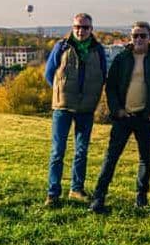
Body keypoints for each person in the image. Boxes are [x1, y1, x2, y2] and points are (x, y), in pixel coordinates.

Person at [89, 21, 150, 214]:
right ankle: (98, 197)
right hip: (123, 116)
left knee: (145, 158)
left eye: (143, 35)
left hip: (146, 116)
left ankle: (141, 196)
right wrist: (116, 110)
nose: (139, 39)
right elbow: (110, 86)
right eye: (136, 36)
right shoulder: (122, 57)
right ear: (131, 37)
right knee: (111, 158)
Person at [44, 13, 107, 206]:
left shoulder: (98, 50)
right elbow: (49, 74)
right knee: (57, 151)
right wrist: (60, 92)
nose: (81, 30)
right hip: (63, 107)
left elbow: (103, 74)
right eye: (77, 27)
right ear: (72, 27)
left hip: (86, 108)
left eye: (85, 27)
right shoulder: (61, 47)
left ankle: (76, 189)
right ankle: (53, 193)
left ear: (91, 29)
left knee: (81, 151)